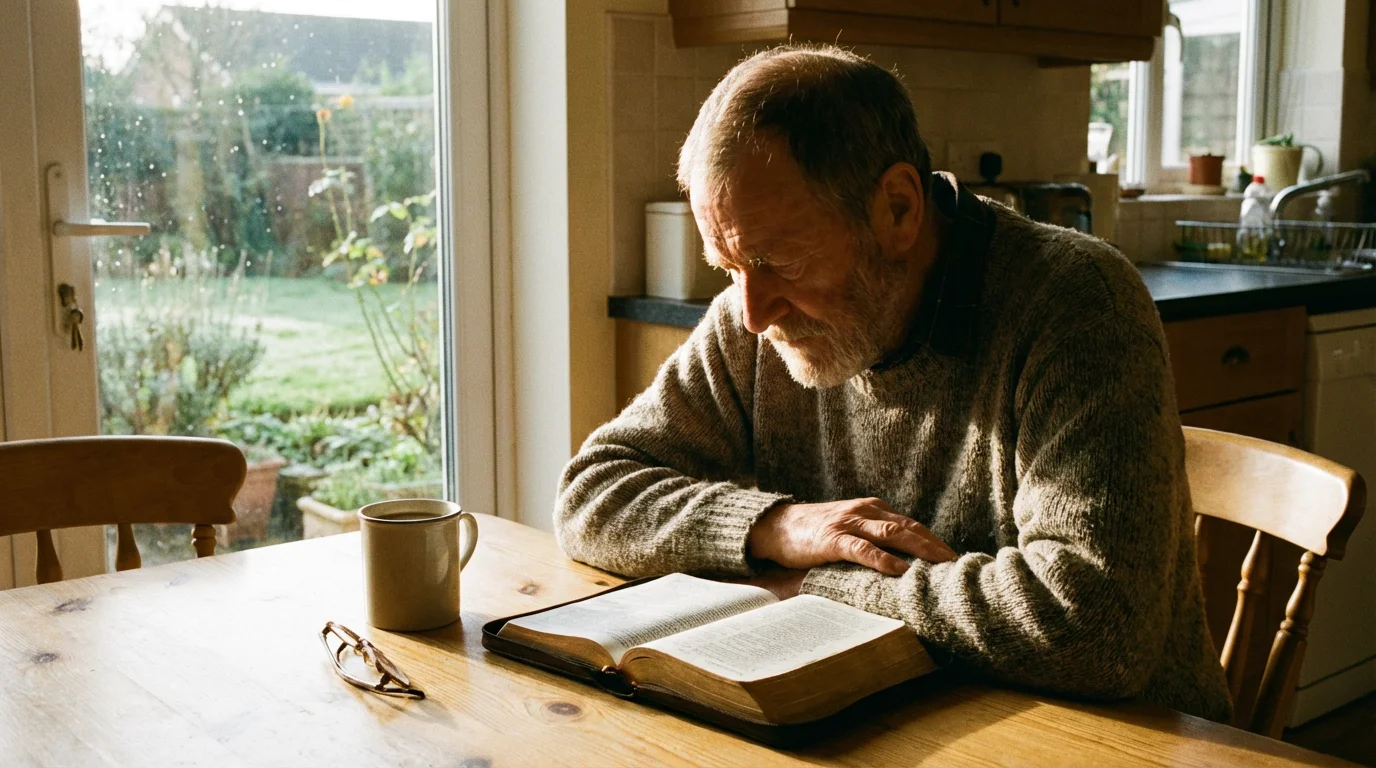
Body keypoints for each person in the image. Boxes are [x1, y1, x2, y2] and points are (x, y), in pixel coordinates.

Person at [553, 44, 1232, 722]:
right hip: (889, 719)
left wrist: (816, 580)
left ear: (899, 209)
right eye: (728, 266)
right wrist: (774, 527)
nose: (753, 314)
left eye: (781, 261)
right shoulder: (753, 314)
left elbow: (1093, 627)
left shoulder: (1077, 302)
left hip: (1117, 741)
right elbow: (592, 494)